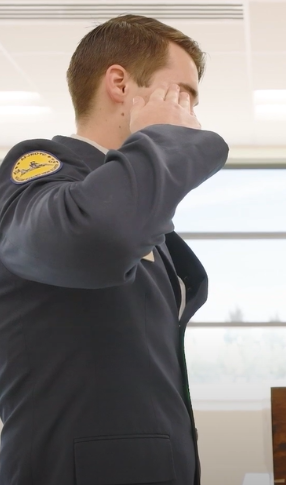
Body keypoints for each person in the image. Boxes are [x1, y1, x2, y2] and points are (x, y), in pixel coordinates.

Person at [0, 15, 228, 484]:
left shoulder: (142, 205)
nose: (191, 111)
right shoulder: (39, 171)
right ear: (121, 84)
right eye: (181, 91)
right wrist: (164, 138)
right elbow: (95, 240)